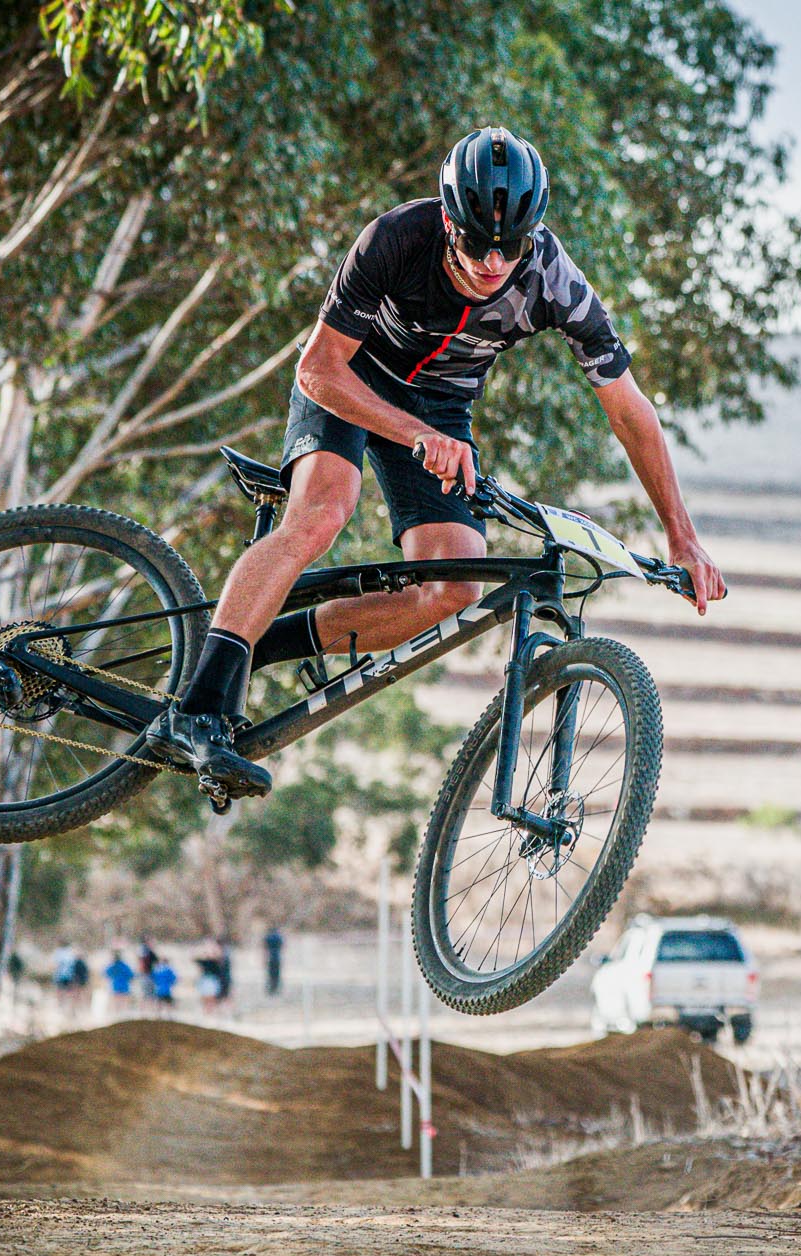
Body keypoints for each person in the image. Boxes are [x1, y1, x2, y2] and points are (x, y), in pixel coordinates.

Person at [141, 126, 728, 798]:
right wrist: (414, 433)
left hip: (444, 405)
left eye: (510, 245)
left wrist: (683, 538)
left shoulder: (551, 279)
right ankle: (193, 714)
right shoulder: (396, 238)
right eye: (477, 241)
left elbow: (629, 411)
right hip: (353, 379)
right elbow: (317, 369)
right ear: (450, 219)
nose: (492, 260)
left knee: (453, 591)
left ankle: (254, 644)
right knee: (322, 514)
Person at [263, 926, 285, 997]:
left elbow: (265, 947)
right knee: (277, 974)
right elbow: (282, 946)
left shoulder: (268, 937)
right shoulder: (278, 936)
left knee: (270, 974)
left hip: (270, 957)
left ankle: (271, 988)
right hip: (277, 957)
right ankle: (276, 988)